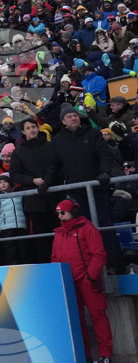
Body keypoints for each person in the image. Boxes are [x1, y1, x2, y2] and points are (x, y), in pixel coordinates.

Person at [44, 104, 117, 266]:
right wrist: (46, 182)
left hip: (97, 187)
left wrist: (105, 172)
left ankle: (111, 263)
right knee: (82, 228)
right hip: (76, 191)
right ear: (63, 121)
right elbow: (54, 165)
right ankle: (88, 263)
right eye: (69, 116)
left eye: (75, 115)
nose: (74, 118)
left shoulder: (93, 133)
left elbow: (104, 154)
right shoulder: (58, 140)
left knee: (103, 224)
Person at [51, 198, 114, 363]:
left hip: (87, 281)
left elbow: (99, 254)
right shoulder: (59, 233)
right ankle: (83, 356)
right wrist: (59, 278)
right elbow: (55, 258)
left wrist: (89, 277)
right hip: (69, 282)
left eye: (62, 212)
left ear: (74, 212)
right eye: (58, 213)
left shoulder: (88, 229)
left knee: (98, 316)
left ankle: (106, 355)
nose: (60, 216)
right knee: (76, 320)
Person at [9, 118, 57, 264]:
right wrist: (32, 180)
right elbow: (14, 174)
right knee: (41, 236)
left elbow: (59, 165)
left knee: (58, 233)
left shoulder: (50, 146)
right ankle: (45, 266)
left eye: (33, 127)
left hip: (55, 196)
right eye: (28, 128)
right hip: (34, 200)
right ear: (23, 132)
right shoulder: (18, 152)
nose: (32, 130)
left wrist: (48, 180)